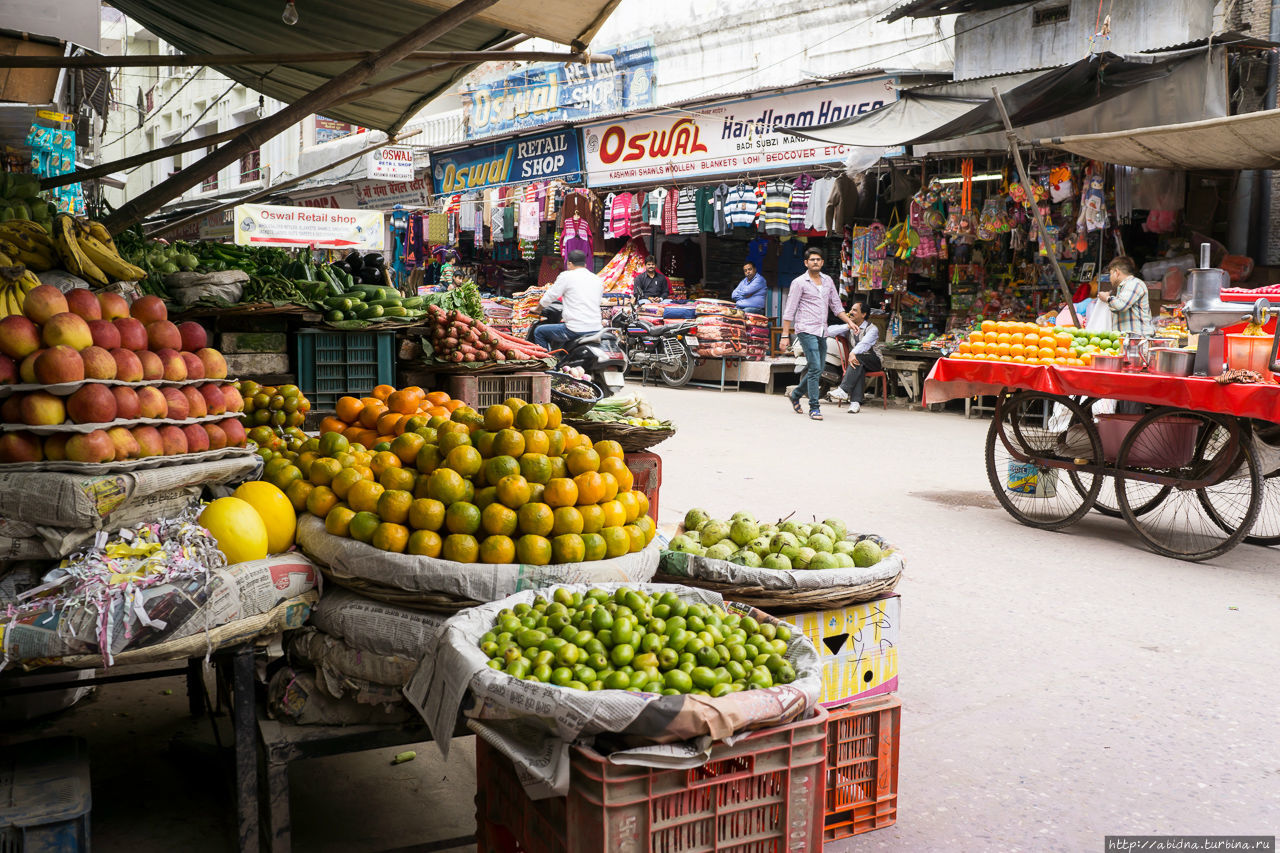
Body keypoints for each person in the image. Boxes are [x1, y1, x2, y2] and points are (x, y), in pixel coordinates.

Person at [781, 247, 855, 421]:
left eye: (818, 259)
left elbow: (836, 307)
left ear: (822, 262)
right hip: (806, 329)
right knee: (815, 367)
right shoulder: (799, 282)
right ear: (806, 263)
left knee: (819, 369)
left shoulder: (828, 281)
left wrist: (850, 322)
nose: (815, 262)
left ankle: (796, 394)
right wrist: (785, 335)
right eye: (812, 260)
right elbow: (789, 310)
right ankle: (814, 407)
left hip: (822, 330)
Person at [534, 249, 603, 351]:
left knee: (539, 331)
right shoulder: (596, 278)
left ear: (569, 264)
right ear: (585, 264)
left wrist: (538, 309)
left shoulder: (566, 276)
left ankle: (548, 365)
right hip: (597, 328)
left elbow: (550, 296)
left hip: (575, 329)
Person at [826, 300, 881, 413]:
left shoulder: (872, 329)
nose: (850, 312)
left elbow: (864, 344)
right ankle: (855, 403)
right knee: (858, 364)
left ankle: (843, 389)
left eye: (854, 310)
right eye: (851, 309)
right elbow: (828, 331)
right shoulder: (850, 327)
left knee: (858, 359)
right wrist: (847, 326)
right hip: (858, 360)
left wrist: (852, 353)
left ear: (863, 314)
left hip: (874, 360)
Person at [1096, 256, 1153, 336]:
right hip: (1129, 339)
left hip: (1138, 339)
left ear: (1117, 272)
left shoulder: (1134, 283)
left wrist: (1106, 298)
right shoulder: (1124, 288)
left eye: (1111, 274)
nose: (1110, 278)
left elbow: (1121, 305)